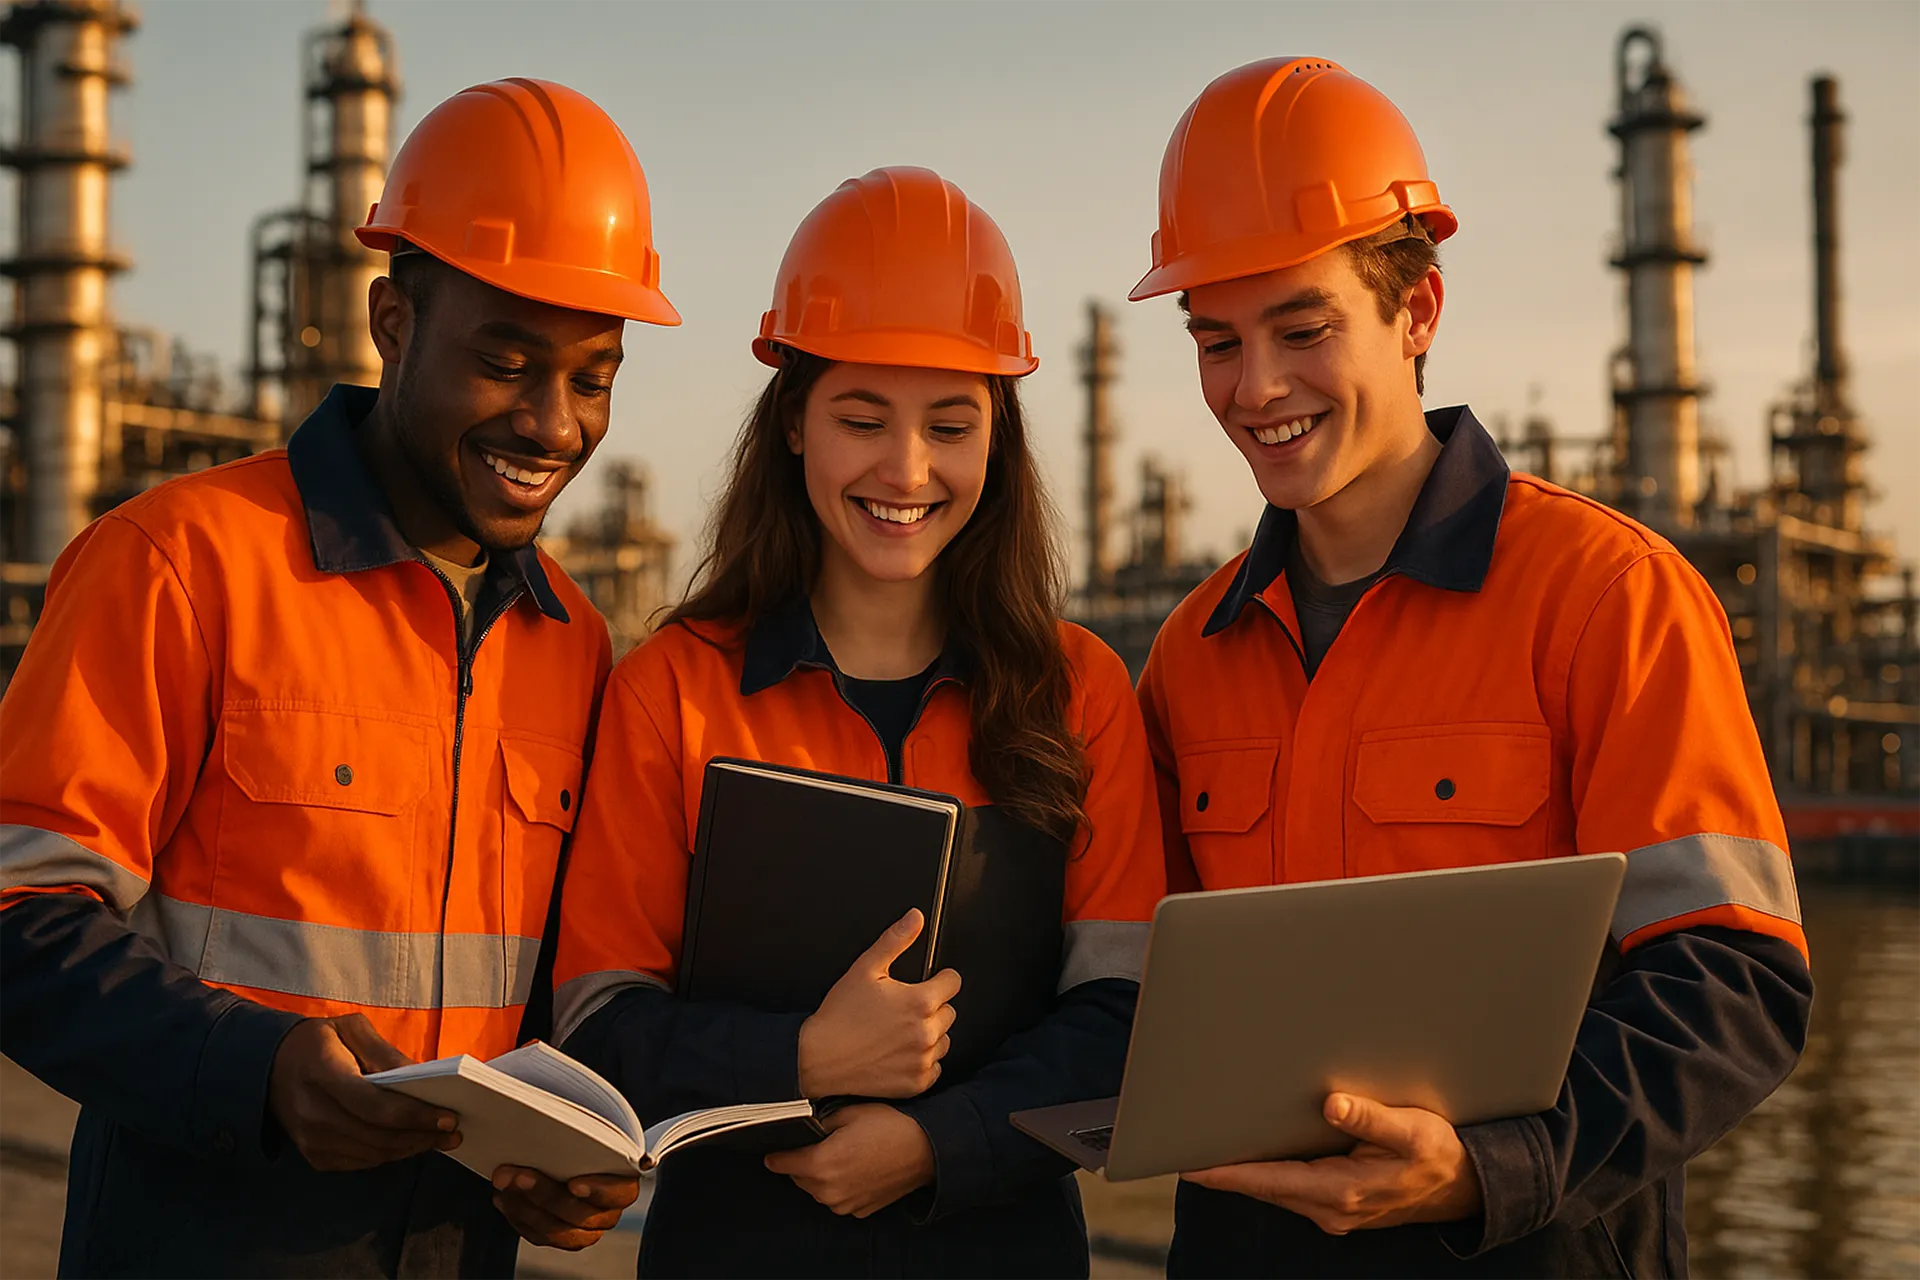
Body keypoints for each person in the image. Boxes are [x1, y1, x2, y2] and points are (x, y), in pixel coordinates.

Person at [1128, 58, 1813, 1278]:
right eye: (1217, 340)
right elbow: (1142, 986)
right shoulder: (1193, 652)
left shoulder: (1608, 598)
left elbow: (1736, 980)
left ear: (1418, 311)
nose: (1256, 387)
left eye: (1304, 326)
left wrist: (1497, 1166)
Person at [0, 78, 678, 1278]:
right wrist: (252, 1068)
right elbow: (19, 914)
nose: (553, 424)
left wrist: (565, 1155)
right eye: (508, 361)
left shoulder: (569, 637)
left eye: (593, 376)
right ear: (393, 321)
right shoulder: (180, 562)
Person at [550, 165, 1167, 1278]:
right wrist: (802, 1055)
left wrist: (939, 1144)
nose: (908, 468)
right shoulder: (676, 691)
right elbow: (598, 1028)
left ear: (999, 438)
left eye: (951, 422)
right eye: (862, 416)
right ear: (794, 423)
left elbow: (1127, 1019)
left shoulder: (1077, 696)